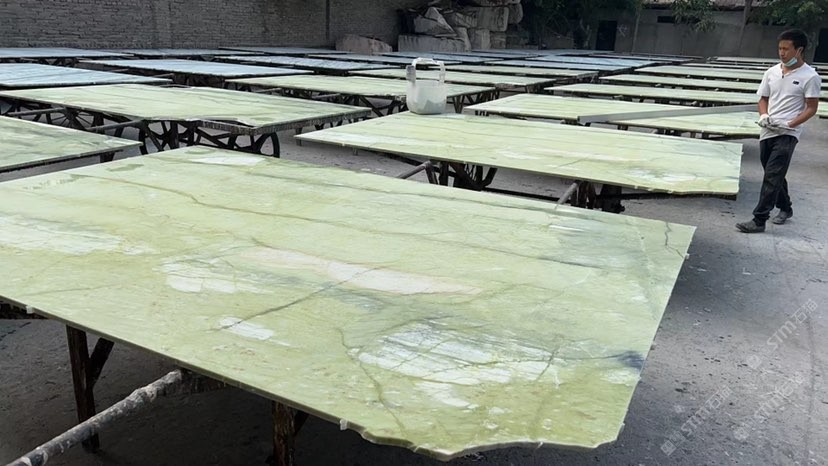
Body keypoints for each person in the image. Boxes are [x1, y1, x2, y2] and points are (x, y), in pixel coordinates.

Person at [736, 29, 822, 233]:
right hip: (768, 129)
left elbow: (811, 108)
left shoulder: (810, 77)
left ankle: (759, 219)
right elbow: (763, 98)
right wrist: (764, 115)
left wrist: (791, 124)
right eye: (780, 48)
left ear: (799, 50)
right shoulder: (772, 72)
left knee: (773, 174)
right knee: (773, 172)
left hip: (788, 133)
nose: (782, 53)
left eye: (786, 49)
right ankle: (786, 207)